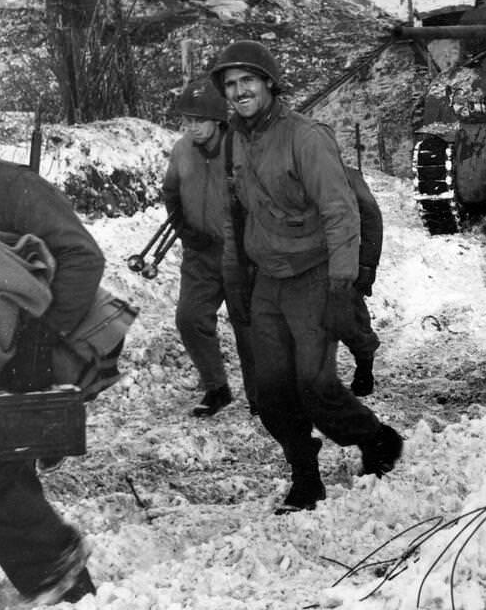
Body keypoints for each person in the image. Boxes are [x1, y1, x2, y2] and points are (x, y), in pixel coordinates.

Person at [213, 40, 401, 514]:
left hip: (315, 275)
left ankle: (376, 439)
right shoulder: (236, 139)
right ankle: (305, 477)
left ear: (270, 83)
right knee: (271, 390)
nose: (239, 92)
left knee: (315, 386)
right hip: (269, 281)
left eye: (248, 81)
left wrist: (343, 286)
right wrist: (239, 283)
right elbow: (239, 217)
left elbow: (341, 213)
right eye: (231, 85)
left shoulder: (306, 137)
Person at [0, 158, 105, 604]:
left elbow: (83, 256)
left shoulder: (12, 185)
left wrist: (42, 336)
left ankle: (62, 580)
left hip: (18, 354)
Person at [162, 76, 256, 417]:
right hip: (199, 252)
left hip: (239, 252)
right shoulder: (182, 150)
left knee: (248, 326)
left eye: (197, 121)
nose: (191, 128)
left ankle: (261, 396)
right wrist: (185, 228)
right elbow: (171, 192)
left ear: (218, 120)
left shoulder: (241, 147)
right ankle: (217, 388)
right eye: (186, 121)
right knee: (190, 318)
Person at [343, 166, 381, 397]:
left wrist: (367, 264)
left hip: (343, 259)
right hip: (302, 260)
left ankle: (364, 366)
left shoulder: (347, 176)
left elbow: (371, 217)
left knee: (351, 317)